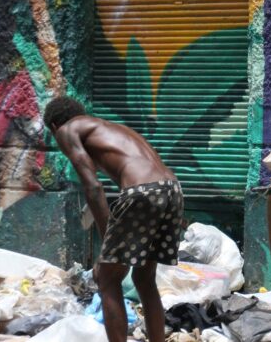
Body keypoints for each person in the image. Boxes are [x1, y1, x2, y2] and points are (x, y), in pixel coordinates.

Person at [43, 96, 182, 342]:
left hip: (143, 192)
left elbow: (93, 188)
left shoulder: (67, 130)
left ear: (54, 126)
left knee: (106, 278)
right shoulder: (111, 128)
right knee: (144, 278)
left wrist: (107, 243)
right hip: (172, 189)